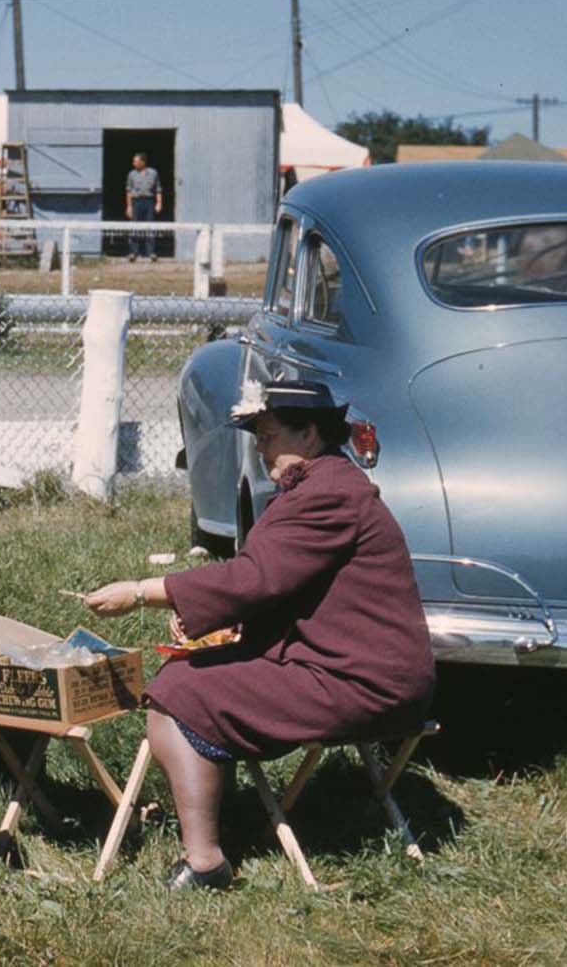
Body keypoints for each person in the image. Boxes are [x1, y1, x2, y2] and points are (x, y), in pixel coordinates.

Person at [81, 381, 434, 891]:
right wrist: (219, 622)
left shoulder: (327, 495)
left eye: (268, 436)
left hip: (362, 682)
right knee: (188, 673)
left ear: (309, 434)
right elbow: (287, 585)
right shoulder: (328, 484)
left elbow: (254, 577)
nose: (260, 447)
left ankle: (204, 862)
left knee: (175, 694)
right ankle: (222, 819)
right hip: (358, 669)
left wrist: (142, 591)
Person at [124, 152, 163, 262]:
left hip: (149, 202)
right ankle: (133, 252)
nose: (134, 163)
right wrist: (129, 206)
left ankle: (150, 253)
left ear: (142, 162)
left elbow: (158, 189)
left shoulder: (153, 173)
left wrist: (159, 203)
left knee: (150, 226)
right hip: (136, 201)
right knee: (134, 226)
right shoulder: (131, 174)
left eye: (135, 161)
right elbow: (128, 191)